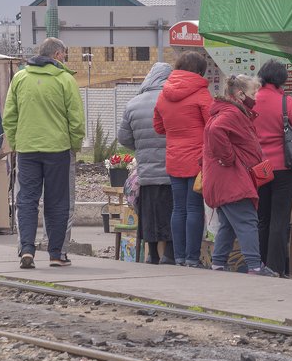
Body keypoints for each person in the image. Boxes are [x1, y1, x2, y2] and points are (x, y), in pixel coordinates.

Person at [3, 38, 85, 269]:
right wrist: (74, 145)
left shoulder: (20, 78)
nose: (65, 60)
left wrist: (17, 141)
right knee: (57, 202)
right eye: (65, 55)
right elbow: (76, 120)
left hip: (27, 149)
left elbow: (9, 116)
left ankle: (26, 249)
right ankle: (56, 254)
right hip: (58, 149)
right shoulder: (65, 80)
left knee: (27, 200)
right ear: (58, 54)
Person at [202, 74, 279, 277]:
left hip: (224, 177)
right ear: (240, 94)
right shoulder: (232, 113)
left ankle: (218, 264)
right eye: (253, 93)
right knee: (247, 221)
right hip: (232, 178)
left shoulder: (230, 110)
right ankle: (254, 266)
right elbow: (215, 130)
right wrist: (228, 158)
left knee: (228, 224)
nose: (256, 97)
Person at [252, 60, 292, 276]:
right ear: (282, 80)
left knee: (262, 218)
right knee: (280, 218)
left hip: (258, 167)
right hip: (284, 168)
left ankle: (258, 264)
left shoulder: (251, 101)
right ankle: (275, 268)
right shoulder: (287, 103)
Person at [153, 51, 212, 268]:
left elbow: (159, 127)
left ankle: (178, 257)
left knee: (178, 208)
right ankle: (192, 258)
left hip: (174, 158)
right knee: (194, 208)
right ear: (199, 71)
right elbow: (213, 126)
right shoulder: (201, 94)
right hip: (197, 159)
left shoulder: (164, 93)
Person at [117, 62, 175, 265]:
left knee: (149, 212)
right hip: (172, 169)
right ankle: (169, 254)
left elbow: (123, 138)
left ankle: (152, 254)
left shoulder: (133, 103)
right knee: (171, 211)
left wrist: (141, 147)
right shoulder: (173, 101)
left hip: (147, 171)